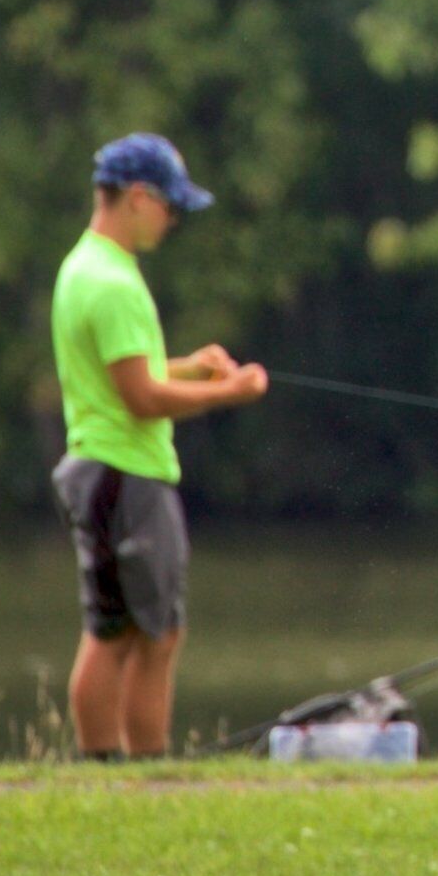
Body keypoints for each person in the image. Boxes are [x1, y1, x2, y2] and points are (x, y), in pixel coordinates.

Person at [49, 131, 267, 758]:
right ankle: (146, 769)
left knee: (113, 628)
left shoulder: (83, 267)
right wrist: (231, 393)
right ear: (138, 198)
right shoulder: (114, 284)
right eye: (170, 206)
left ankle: (102, 766)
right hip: (128, 473)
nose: (172, 219)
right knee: (153, 636)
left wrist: (192, 367)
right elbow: (141, 398)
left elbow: (126, 373)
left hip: (98, 467)